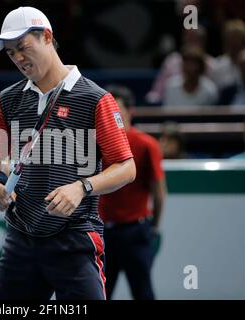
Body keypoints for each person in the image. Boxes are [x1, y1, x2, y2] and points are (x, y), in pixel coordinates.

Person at [0, 7, 136, 300]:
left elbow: (126, 168)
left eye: (23, 48)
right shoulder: (7, 100)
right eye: (11, 53)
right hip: (21, 239)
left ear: (47, 37)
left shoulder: (96, 99)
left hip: (75, 239)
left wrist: (82, 188)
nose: (17, 58)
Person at [100, 85, 167, 300]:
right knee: (99, 293)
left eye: (117, 110)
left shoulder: (147, 145)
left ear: (131, 112)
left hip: (135, 232)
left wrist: (153, 228)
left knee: (142, 292)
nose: (112, 116)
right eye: (108, 111)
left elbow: (159, 191)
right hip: (103, 233)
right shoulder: (94, 144)